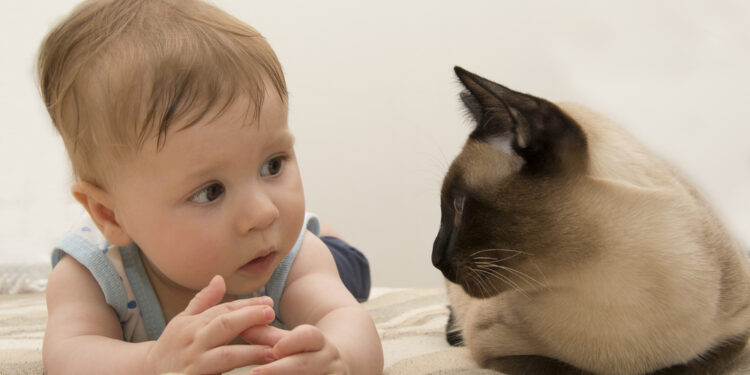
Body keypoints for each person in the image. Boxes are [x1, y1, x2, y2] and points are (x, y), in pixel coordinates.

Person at [37, 0, 383, 373]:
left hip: (303, 252)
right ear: (110, 215)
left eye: (272, 165)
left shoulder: (292, 257)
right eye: (210, 192)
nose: (264, 212)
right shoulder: (94, 274)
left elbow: (346, 319)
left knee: (348, 274)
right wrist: (152, 362)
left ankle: (328, 236)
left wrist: (342, 359)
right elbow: (67, 357)